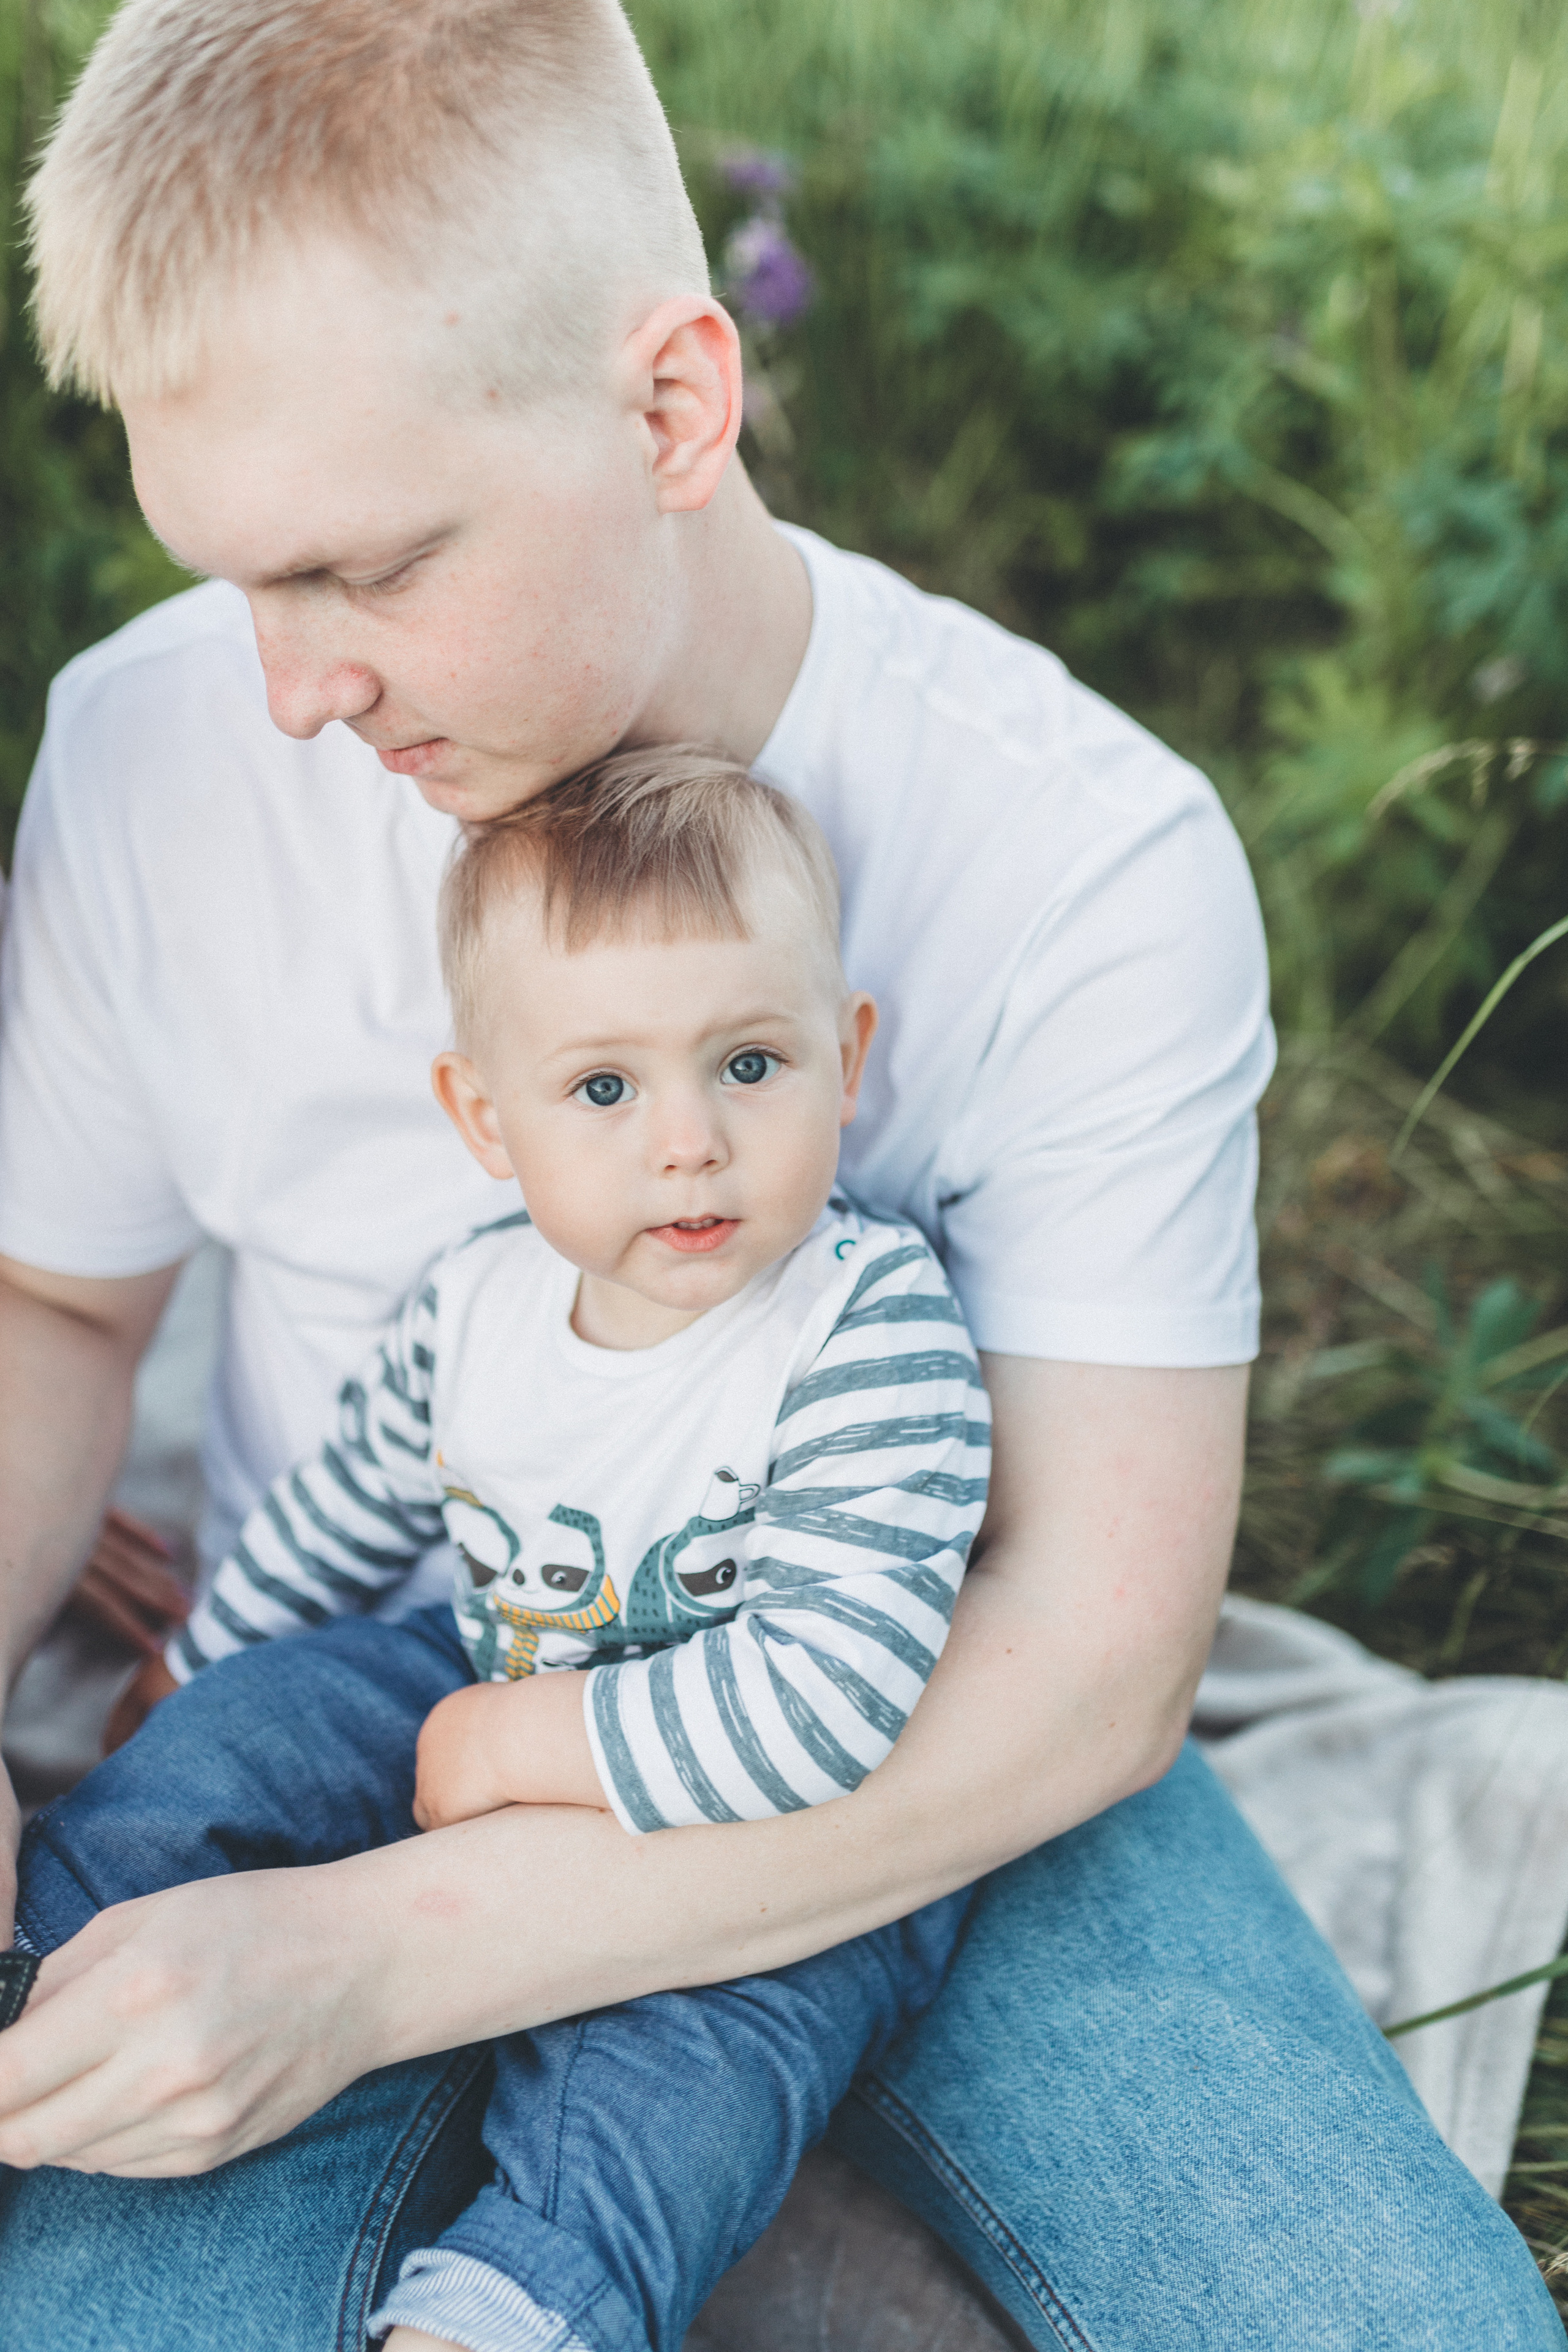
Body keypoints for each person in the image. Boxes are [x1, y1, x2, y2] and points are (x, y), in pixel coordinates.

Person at [0, 0, 1555, 2345]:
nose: (293, 685)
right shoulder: (148, 760)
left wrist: (376, 1963)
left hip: (924, 1761)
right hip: (381, 1691)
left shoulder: (1086, 859)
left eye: (368, 570)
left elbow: (1096, 1667)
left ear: (674, 407)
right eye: (232, 579)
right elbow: (54, 1304)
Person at [15, 749, 988, 2348]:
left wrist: (532, 1740)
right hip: (481, 1669)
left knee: (680, 2083)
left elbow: (831, 1704)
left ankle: (505, 2309)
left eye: (750, 1065)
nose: (688, 1143)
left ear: (848, 1055)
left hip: (763, 1852)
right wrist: (201, 1660)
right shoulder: (479, 1303)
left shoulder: (866, 1328)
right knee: (251, 1731)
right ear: (485, 1116)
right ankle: (42, 1967)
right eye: (604, 1089)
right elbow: (342, 1510)